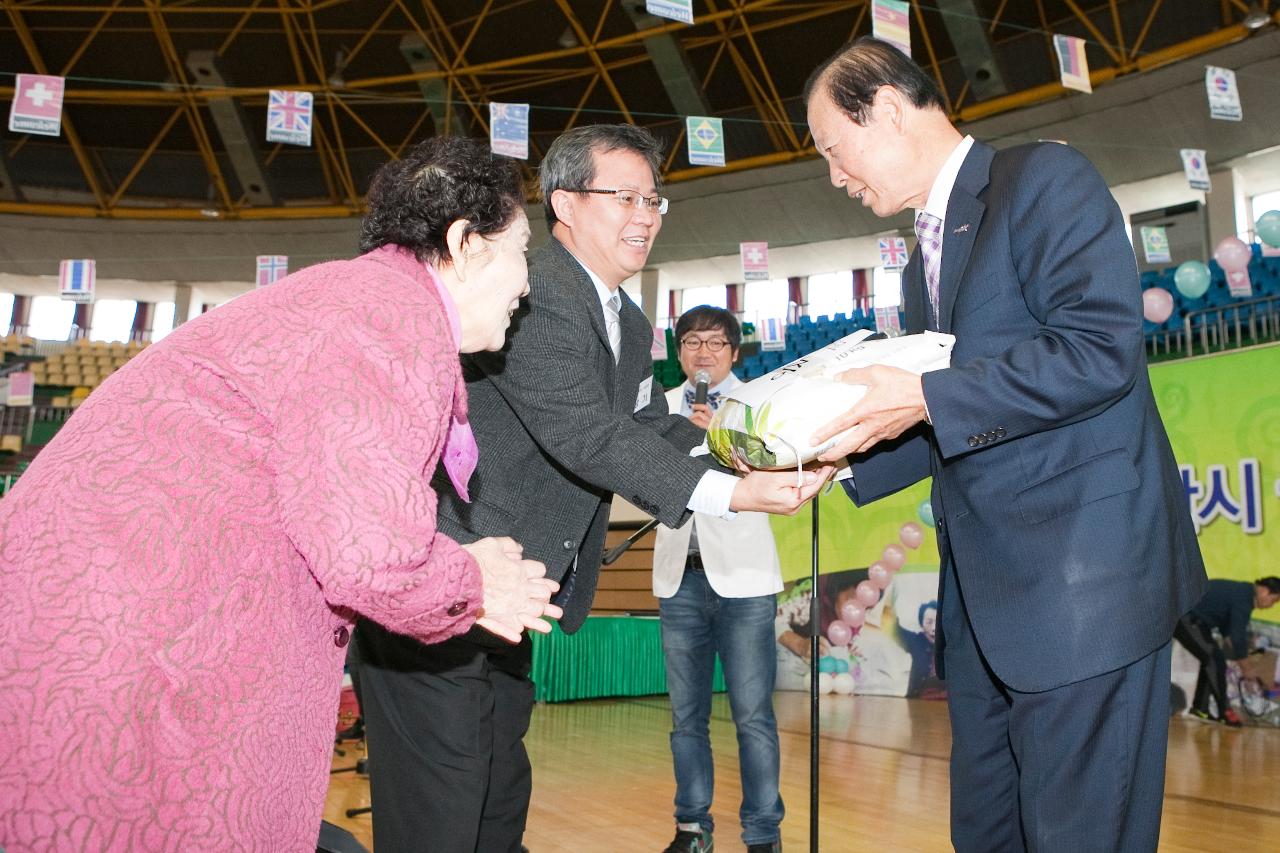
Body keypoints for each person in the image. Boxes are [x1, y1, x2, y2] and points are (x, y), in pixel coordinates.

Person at [0, 137, 562, 852]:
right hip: (130, 647)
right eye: (521, 250)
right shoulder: (389, 318)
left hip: (115, 625)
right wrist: (473, 582)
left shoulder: (353, 300)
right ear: (465, 243)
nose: (526, 284)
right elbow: (371, 558)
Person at [354, 124, 832, 853]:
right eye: (626, 196)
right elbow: (587, 435)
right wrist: (732, 496)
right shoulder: (535, 291)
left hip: (511, 596)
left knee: (495, 796)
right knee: (442, 812)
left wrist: (748, 457)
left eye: (654, 199)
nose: (646, 213)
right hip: (445, 592)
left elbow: (646, 424)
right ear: (565, 204)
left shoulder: (630, 320)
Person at [803, 38, 1206, 852]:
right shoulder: (926, 256)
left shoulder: (1043, 180)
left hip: (1082, 590)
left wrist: (917, 394)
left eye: (832, 151)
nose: (834, 177)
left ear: (883, 109)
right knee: (987, 834)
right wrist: (830, 457)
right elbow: (958, 415)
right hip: (990, 608)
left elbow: (1099, 349)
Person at [651, 306, 785, 853]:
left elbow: (779, 473)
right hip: (678, 579)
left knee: (752, 716)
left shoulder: (760, 403)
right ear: (678, 352)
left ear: (733, 350)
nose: (701, 352)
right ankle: (691, 827)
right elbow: (640, 482)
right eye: (690, 341)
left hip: (747, 581)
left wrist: (715, 440)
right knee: (686, 718)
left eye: (713, 341)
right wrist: (681, 438)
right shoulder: (656, 410)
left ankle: (762, 834)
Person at [1174, 576, 1280, 726]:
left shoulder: (1243, 593)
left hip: (1193, 620)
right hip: (1186, 618)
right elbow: (1236, 639)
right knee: (1213, 659)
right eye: (1274, 600)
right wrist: (1247, 670)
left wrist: (1243, 661)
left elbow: (1229, 634)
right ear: (1264, 591)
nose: (1272, 605)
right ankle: (1225, 711)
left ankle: (1200, 709)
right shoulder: (1244, 598)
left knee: (1214, 659)